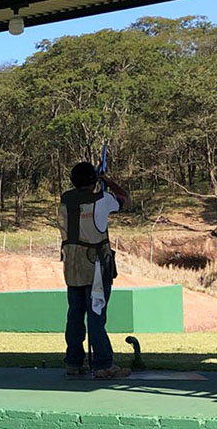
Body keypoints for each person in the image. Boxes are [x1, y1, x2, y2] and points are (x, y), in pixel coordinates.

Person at [59, 162, 132, 379]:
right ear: (93, 180)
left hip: (72, 264)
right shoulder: (102, 199)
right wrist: (107, 181)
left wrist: (97, 183)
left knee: (74, 314)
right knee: (96, 314)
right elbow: (125, 200)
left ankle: (73, 361)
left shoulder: (66, 199)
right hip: (96, 265)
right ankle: (103, 363)